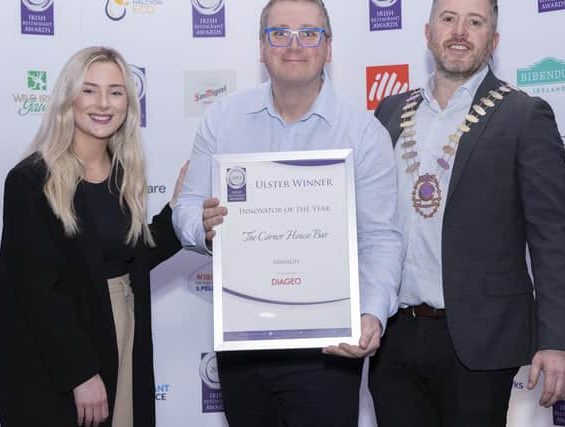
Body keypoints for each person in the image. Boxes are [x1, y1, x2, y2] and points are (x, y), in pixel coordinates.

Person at [171, 0, 402, 425]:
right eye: (279, 33)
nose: (294, 44)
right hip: (243, 339)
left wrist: (370, 313)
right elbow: (185, 207)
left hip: (329, 349)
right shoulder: (222, 119)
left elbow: (381, 238)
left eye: (309, 33)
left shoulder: (363, 133)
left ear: (328, 48)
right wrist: (199, 226)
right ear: (261, 46)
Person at [368, 0, 565, 426]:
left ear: (494, 40)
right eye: (448, 19)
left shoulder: (523, 115)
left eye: (475, 22)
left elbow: (552, 237)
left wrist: (559, 341)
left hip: (479, 339)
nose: (460, 31)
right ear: (428, 33)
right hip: (393, 336)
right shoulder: (389, 113)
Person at [0, 46, 186, 427]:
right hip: (62, 349)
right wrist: (80, 372)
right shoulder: (31, 180)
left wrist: (180, 214)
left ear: (129, 104)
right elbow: (38, 291)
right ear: (69, 98)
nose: (103, 103)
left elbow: (129, 258)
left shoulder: (122, 176)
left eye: (116, 92)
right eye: (90, 90)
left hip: (123, 331)